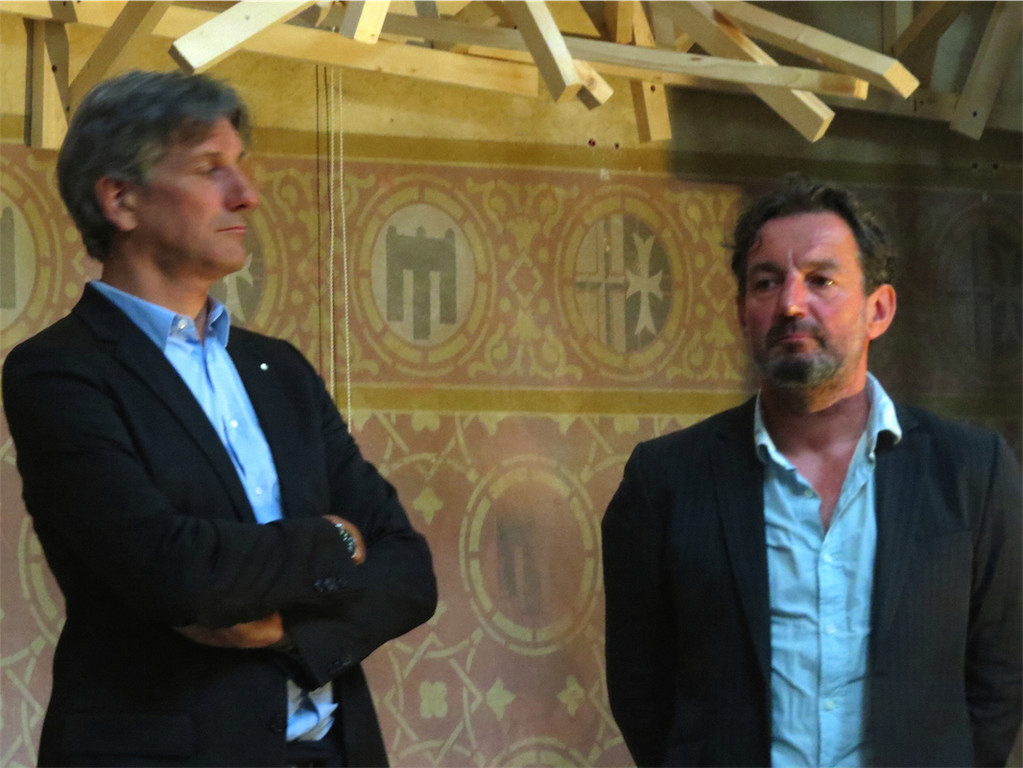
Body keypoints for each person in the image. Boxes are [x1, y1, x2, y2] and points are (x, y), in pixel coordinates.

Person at [2, 70, 437, 767]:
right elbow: (177, 570)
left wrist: (288, 634)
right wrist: (334, 540)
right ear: (120, 199)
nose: (247, 194)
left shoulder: (280, 368)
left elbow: (410, 572)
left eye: (240, 165)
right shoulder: (59, 371)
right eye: (211, 169)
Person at [602, 176, 1021, 767]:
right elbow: (641, 686)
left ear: (878, 309)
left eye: (821, 279)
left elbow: (1000, 674)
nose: (791, 303)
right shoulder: (664, 481)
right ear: (743, 313)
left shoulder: (972, 472)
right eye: (767, 282)